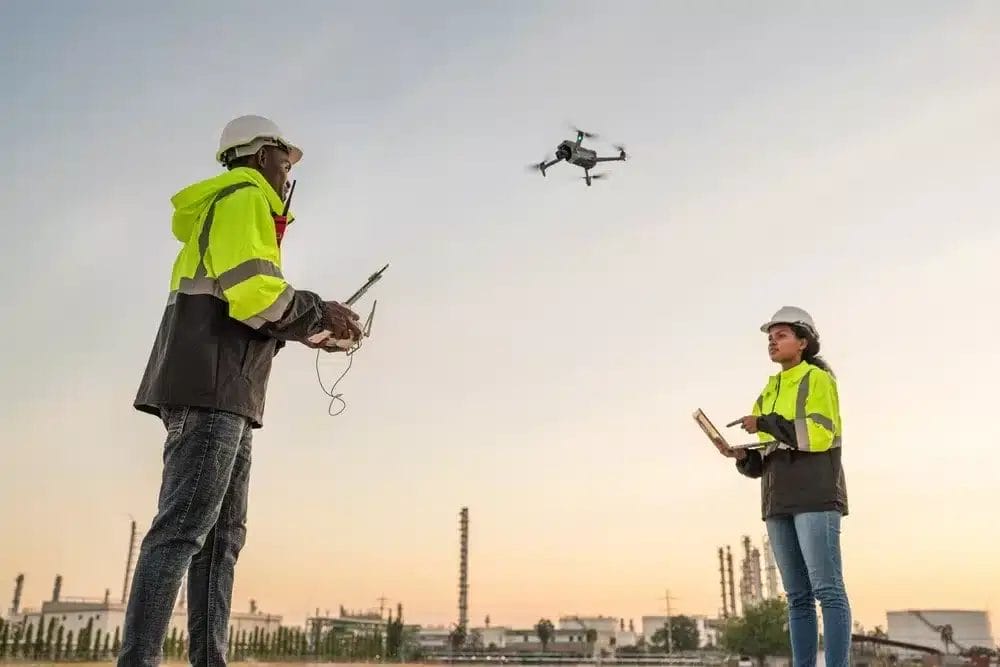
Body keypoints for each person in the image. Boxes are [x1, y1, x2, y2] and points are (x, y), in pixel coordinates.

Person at [120, 115, 362, 667]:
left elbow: (249, 310)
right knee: (183, 531)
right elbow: (254, 293)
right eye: (285, 160)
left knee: (221, 540)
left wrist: (314, 332)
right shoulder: (244, 197)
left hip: (228, 390)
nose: (288, 173)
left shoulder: (234, 207)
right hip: (211, 389)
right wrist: (318, 312)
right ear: (260, 155)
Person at [713, 306, 851, 667]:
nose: (772, 343)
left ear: (803, 342)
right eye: (770, 338)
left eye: (782, 335)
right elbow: (767, 456)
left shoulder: (817, 379)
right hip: (777, 501)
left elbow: (816, 435)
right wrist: (743, 457)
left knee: (828, 591)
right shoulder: (769, 390)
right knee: (797, 597)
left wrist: (765, 422)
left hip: (815, 496)